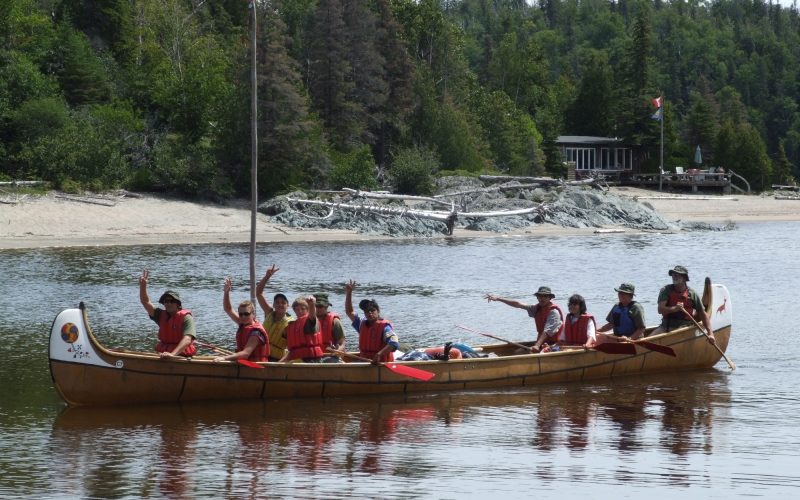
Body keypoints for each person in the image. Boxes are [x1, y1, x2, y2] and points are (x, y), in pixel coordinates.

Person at [484, 286, 564, 353]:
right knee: (518, 352)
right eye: (540, 296)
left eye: (545, 296)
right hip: (541, 344)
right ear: (537, 297)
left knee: (524, 353)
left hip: (555, 345)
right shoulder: (536, 309)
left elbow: (547, 331)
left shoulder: (554, 313)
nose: (542, 298)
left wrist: (537, 346)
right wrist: (498, 299)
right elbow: (518, 304)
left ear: (550, 298)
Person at [138, 269, 197, 358]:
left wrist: (172, 354)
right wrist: (143, 286)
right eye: (166, 301)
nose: (168, 303)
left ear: (178, 304)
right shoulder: (160, 315)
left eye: (172, 301)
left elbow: (188, 339)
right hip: (163, 355)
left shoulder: (186, 318)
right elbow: (145, 302)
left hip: (181, 356)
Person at [651, 266, 715, 344]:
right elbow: (660, 310)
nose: (674, 277)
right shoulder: (666, 290)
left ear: (684, 278)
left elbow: (703, 315)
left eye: (677, 275)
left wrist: (710, 334)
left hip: (685, 329)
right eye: (673, 275)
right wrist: (675, 309)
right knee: (650, 340)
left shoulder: (692, 294)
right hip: (665, 327)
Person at [213, 278, 269, 363]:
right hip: (245, 365)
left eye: (246, 314)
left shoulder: (256, 332)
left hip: (257, 368)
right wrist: (226, 292)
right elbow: (228, 309)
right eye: (241, 314)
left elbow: (246, 353)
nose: (243, 317)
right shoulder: (243, 323)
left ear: (253, 314)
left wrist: (224, 358)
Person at [344, 280, 400, 363]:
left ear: (378, 311)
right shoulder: (361, 324)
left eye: (372, 310)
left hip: (380, 363)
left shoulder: (385, 327)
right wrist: (349, 293)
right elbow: (349, 312)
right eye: (367, 311)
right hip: (365, 361)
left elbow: (394, 343)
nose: (370, 313)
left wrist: (379, 354)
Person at [255, 264, 293, 362]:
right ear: (274, 305)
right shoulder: (269, 312)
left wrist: (281, 363)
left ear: (287, 306)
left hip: (277, 358)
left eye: (283, 303)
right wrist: (267, 276)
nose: (280, 305)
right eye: (277, 302)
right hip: (261, 354)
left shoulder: (290, 323)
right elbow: (258, 293)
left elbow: (292, 348)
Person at [280, 296, 323, 362]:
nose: (300, 311)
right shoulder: (292, 325)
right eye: (297, 309)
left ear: (307, 310)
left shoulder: (310, 321)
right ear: (294, 311)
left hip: (312, 359)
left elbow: (312, 316)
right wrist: (280, 362)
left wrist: (312, 304)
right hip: (297, 359)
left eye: (303, 309)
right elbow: (292, 350)